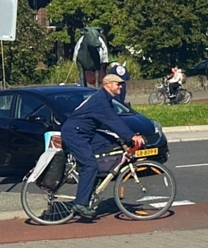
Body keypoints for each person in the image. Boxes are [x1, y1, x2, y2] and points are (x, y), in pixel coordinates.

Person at [61, 74, 145, 219]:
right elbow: (113, 121)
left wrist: (125, 138)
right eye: (117, 84)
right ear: (108, 85)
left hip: (86, 132)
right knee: (90, 165)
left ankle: (94, 182)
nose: (120, 86)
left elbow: (111, 121)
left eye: (121, 84)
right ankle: (80, 203)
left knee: (111, 144)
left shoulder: (105, 99)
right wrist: (131, 136)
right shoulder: (101, 101)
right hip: (75, 134)